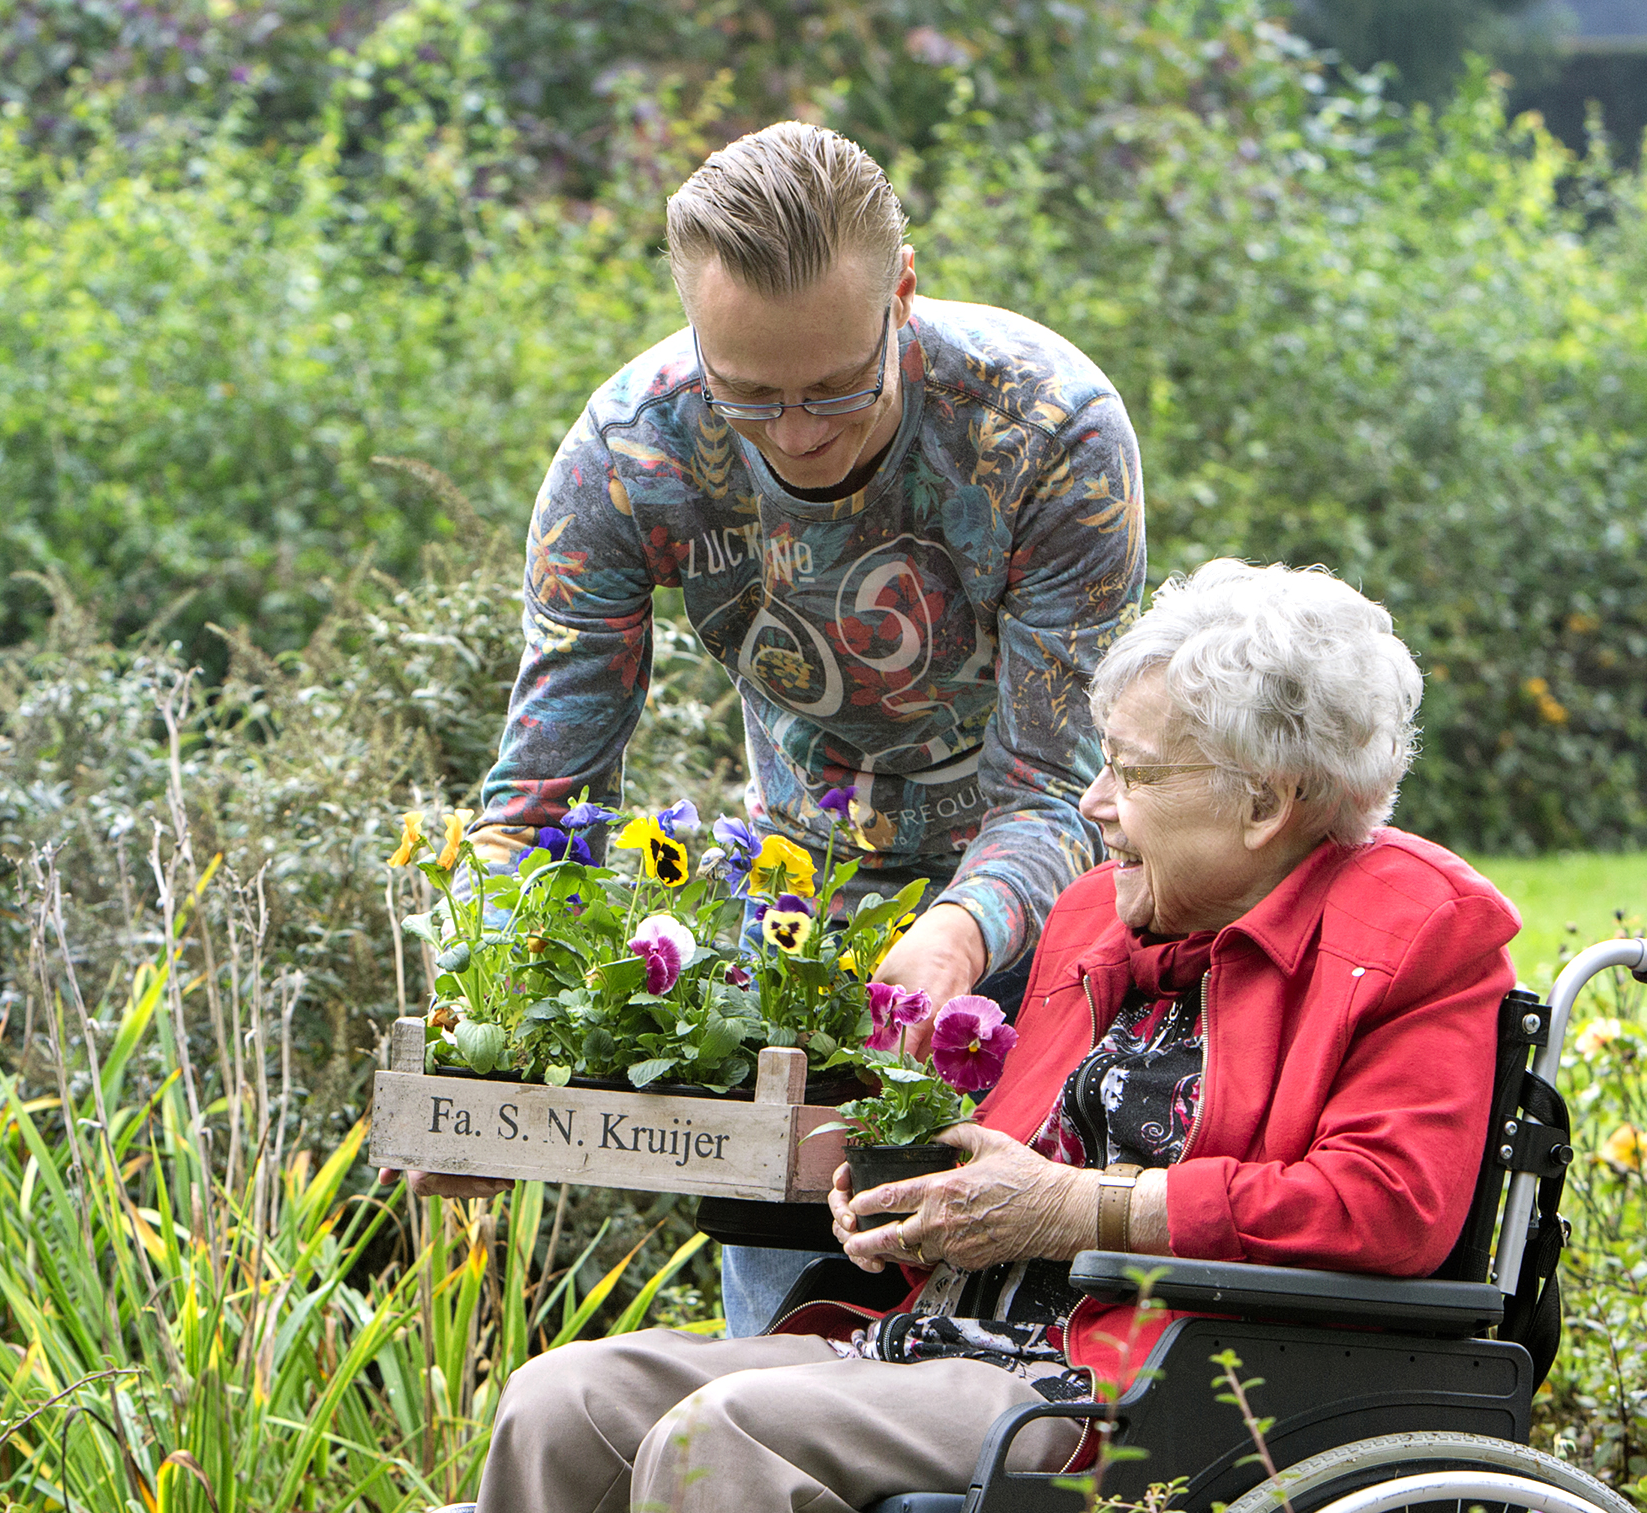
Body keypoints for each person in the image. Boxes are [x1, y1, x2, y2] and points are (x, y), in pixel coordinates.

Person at [414, 561, 1520, 1513]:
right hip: (934, 1347)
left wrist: (1070, 1210)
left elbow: (1388, 1205)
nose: (1095, 802)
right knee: (563, 1402)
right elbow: (1015, 1133)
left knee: (734, 1430)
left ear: (1267, 801)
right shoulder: (1101, 913)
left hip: (1127, 1389)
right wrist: (908, 1196)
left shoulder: (1416, 934)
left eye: (1135, 773)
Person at [453, 120, 1146, 1337]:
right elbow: (541, 803)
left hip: (1047, 926)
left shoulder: (1047, 432)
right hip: (797, 920)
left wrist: (947, 942)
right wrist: (479, 1045)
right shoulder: (629, 455)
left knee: (1017, 1352)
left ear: (904, 295)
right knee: (785, 1349)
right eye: (751, 396)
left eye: (835, 385)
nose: (797, 433)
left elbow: (1053, 790)